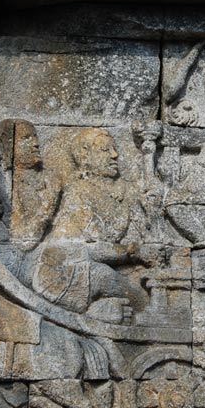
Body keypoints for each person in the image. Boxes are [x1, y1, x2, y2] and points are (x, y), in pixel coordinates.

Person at [33, 128, 148, 317]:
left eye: (114, 149)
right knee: (119, 285)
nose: (115, 155)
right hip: (66, 271)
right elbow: (96, 245)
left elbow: (139, 232)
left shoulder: (126, 190)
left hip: (99, 264)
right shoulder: (78, 192)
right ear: (85, 156)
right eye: (105, 150)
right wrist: (133, 251)